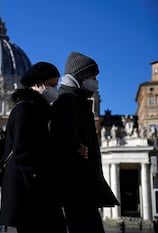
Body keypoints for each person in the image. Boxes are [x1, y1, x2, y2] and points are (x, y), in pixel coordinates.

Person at [51, 52, 120, 233]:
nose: (95, 81)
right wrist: (74, 147)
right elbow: (61, 137)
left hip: (82, 182)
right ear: (80, 77)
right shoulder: (67, 100)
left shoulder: (76, 100)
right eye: (92, 76)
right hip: (77, 184)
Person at [0, 62, 67, 233]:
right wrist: (40, 183)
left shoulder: (37, 109)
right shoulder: (25, 109)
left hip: (35, 191)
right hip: (31, 194)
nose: (55, 89)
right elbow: (23, 153)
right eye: (51, 85)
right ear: (37, 84)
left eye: (56, 85)